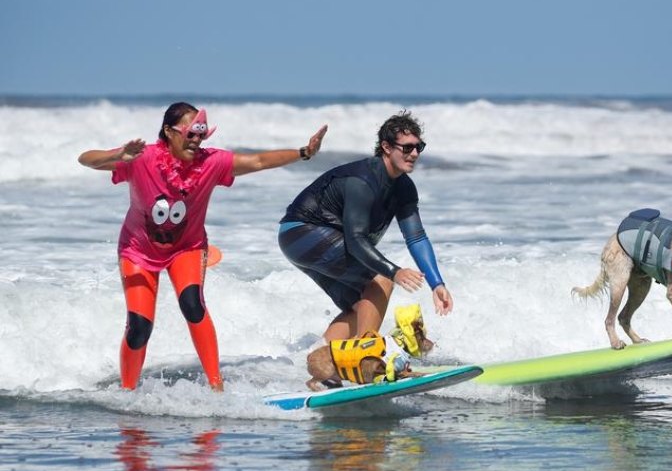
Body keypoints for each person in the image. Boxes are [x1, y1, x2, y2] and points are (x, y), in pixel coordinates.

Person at [79, 102, 327, 391]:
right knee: (138, 327)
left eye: (201, 135)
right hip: (138, 250)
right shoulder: (141, 158)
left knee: (193, 304)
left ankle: (216, 386)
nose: (196, 141)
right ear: (169, 132)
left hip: (188, 248)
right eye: (190, 134)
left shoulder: (212, 162)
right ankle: (127, 391)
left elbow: (258, 161)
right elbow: (85, 159)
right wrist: (118, 155)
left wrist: (304, 153)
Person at [279, 110, 453, 354]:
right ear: (386, 146)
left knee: (361, 306)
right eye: (407, 147)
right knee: (380, 281)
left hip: (300, 240)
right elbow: (356, 239)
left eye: (419, 147)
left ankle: (322, 363)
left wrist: (437, 284)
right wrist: (394, 272)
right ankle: (367, 357)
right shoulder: (363, 181)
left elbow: (416, 237)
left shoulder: (404, 187)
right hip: (303, 233)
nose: (414, 154)